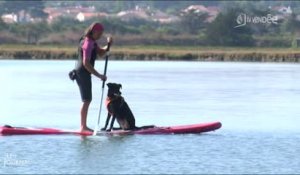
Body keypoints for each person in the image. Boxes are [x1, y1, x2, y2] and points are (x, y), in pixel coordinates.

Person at [74, 22, 113, 132]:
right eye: (99, 33)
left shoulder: (92, 42)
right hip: (82, 72)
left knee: (87, 99)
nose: (100, 36)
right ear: (94, 31)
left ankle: (83, 126)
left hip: (85, 73)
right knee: (86, 100)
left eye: (102, 34)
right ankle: (83, 127)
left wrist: (109, 45)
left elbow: (101, 53)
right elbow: (86, 63)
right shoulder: (87, 43)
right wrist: (99, 75)